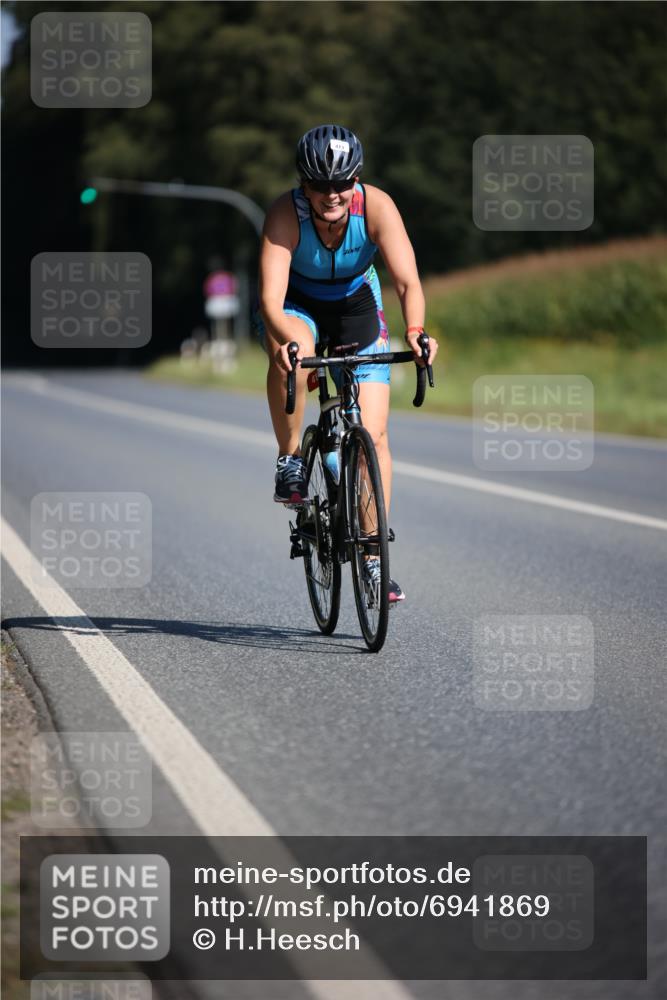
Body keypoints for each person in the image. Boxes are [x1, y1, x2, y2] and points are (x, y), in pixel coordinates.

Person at [257, 124, 438, 602]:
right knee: (293, 354)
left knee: (374, 435)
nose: (332, 194)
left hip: (358, 302)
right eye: (320, 184)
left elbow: (407, 283)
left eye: (342, 183)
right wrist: (287, 343)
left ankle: (374, 560)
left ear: (356, 180)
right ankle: (291, 457)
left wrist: (416, 332)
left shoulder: (376, 206)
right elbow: (270, 301)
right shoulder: (285, 213)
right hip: (298, 304)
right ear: (304, 183)